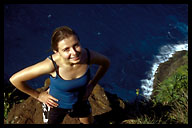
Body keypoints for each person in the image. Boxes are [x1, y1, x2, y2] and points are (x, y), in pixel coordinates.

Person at [9, 26, 110, 124]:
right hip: (56, 104)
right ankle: (46, 108)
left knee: (89, 122)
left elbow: (106, 63)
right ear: (57, 52)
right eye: (66, 49)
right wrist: (38, 95)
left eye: (76, 45)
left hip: (81, 100)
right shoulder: (51, 65)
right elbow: (15, 79)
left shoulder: (87, 56)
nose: (74, 52)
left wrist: (92, 85)